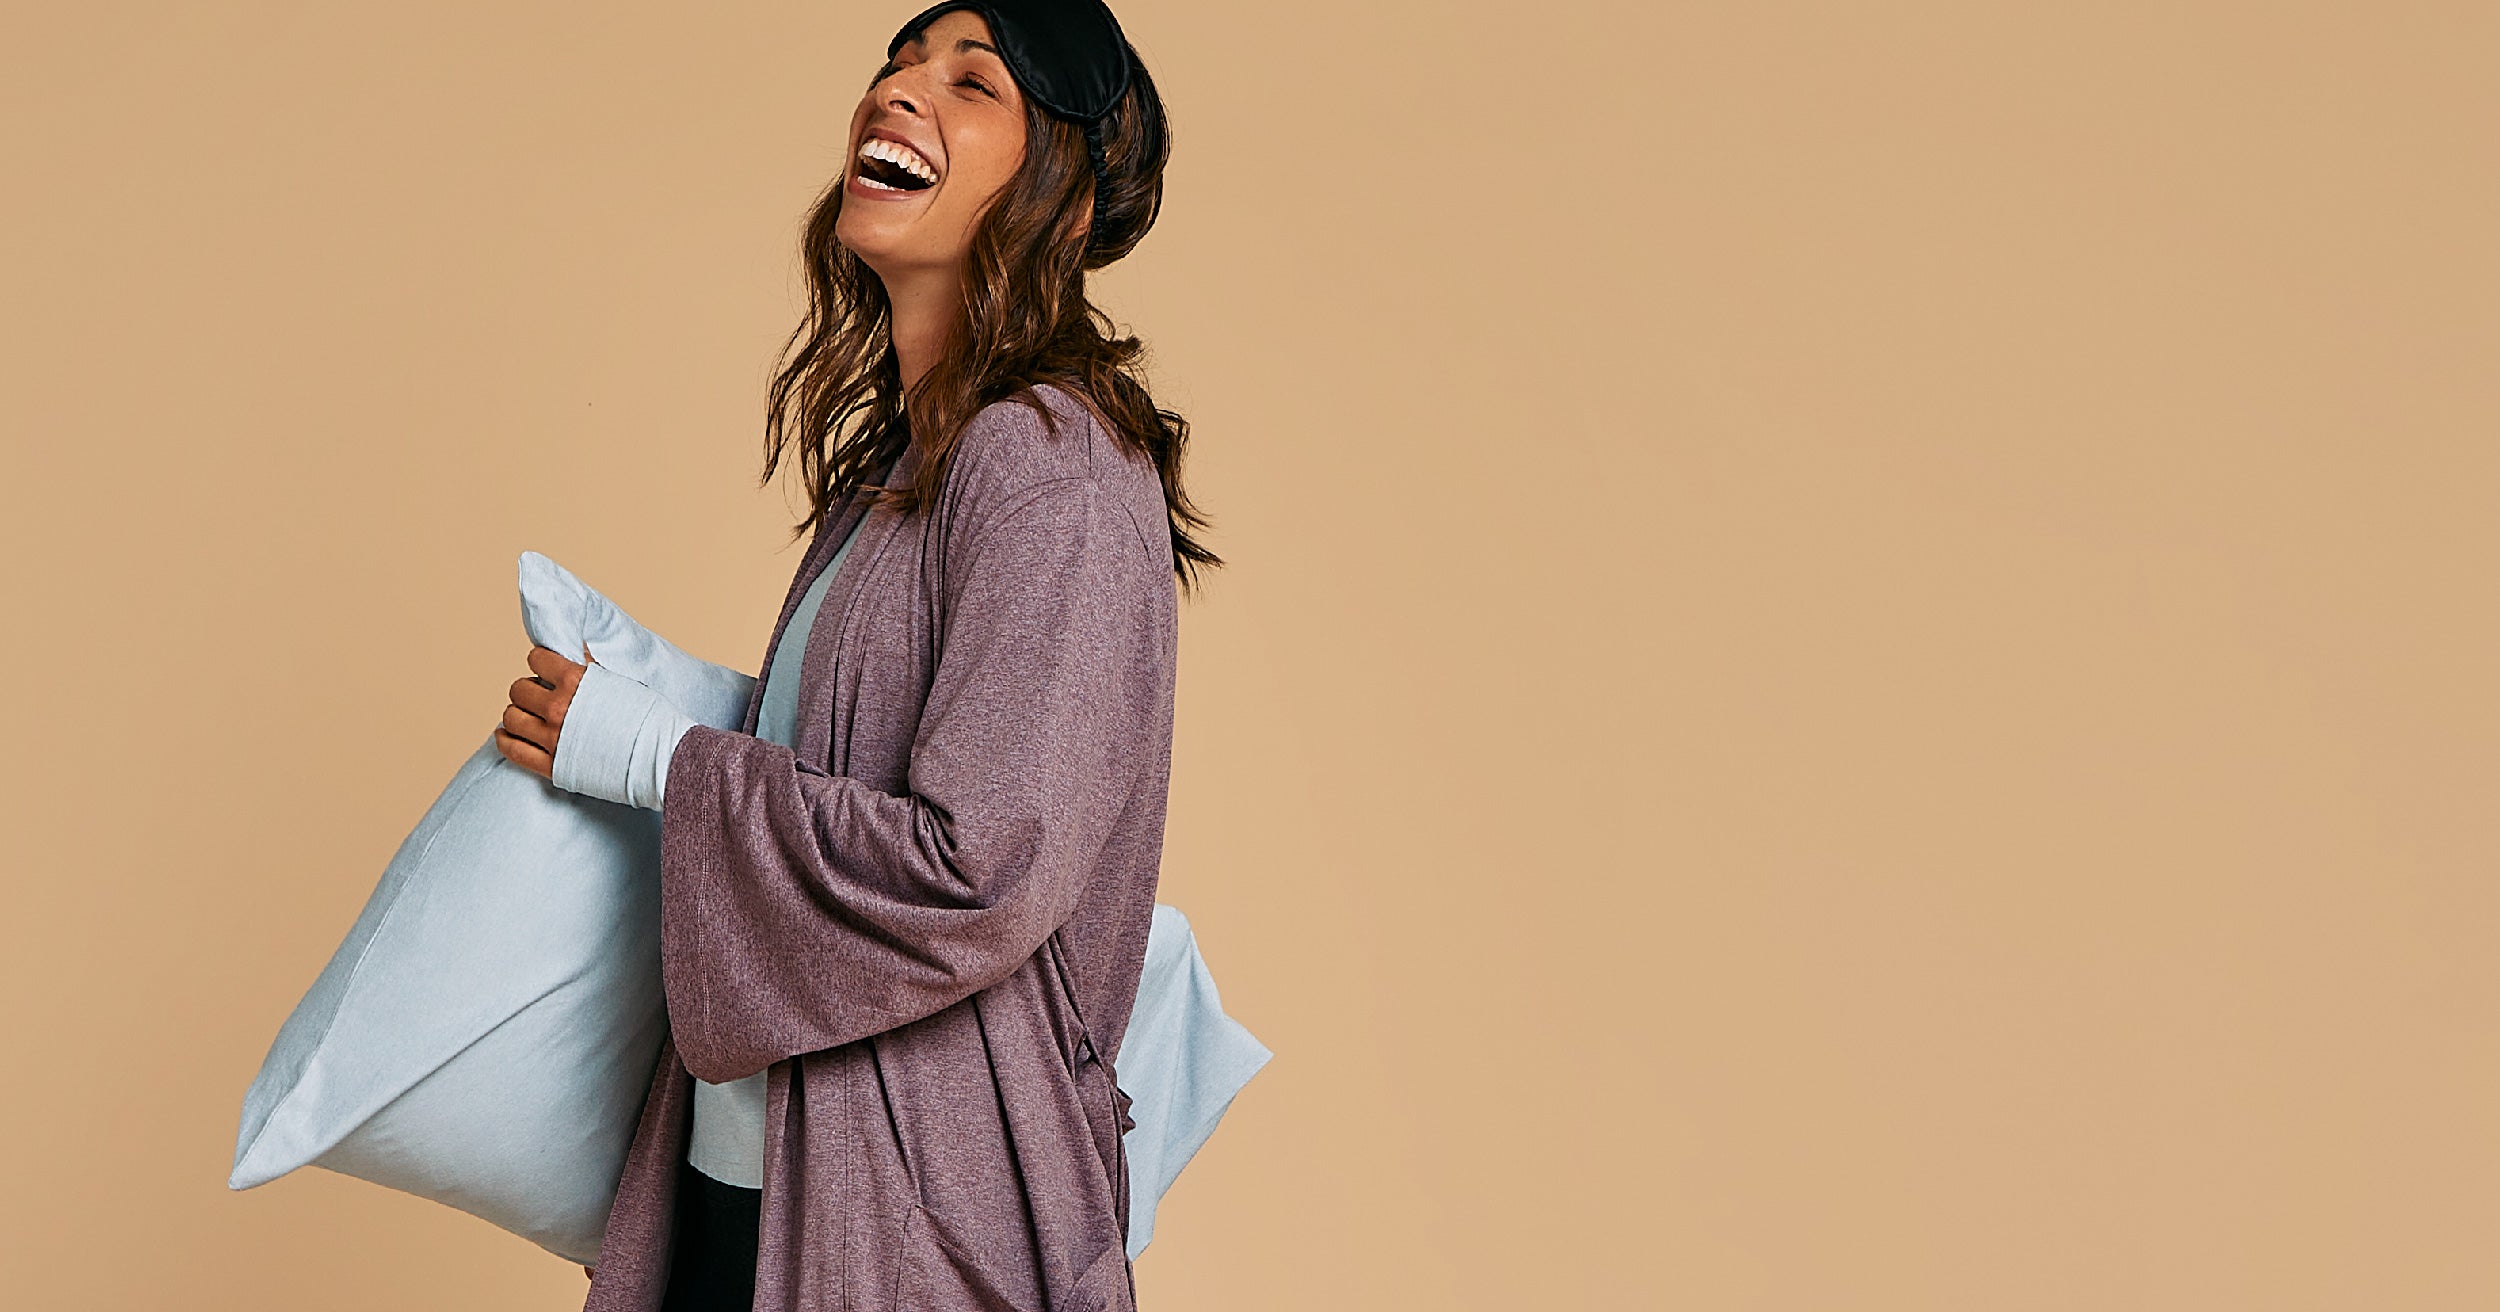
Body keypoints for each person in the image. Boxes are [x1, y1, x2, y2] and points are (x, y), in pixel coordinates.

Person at [490, 1, 1214, 1307]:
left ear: (1055, 191)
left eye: (973, 83)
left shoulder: (1048, 466)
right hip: (752, 1181)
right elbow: (862, 774)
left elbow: (984, 863)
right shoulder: (904, 469)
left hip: (906, 1232)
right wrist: (695, 719)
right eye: (898, 61)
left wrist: (658, 757)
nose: (899, 90)